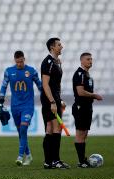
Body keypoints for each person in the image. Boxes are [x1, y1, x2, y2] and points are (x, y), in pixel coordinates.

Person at [0, 50, 42, 166]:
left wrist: (48, 98)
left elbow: (40, 86)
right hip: (15, 106)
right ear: (15, 60)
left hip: (28, 105)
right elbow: (3, 87)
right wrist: (0, 103)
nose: (19, 64)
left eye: (21, 62)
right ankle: (29, 155)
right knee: (21, 132)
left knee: (23, 129)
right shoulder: (9, 71)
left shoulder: (31, 71)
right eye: (17, 62)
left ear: (24, 59)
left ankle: (20, 156)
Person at [40, 38, 69, 169]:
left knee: (51, 129)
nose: (61, 46)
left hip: (55, 99)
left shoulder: (58, 62)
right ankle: (54, 161)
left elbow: (57, 84)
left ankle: (49, 162)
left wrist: (59, 100)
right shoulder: (48, 62)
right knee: (55, 128)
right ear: (52, 47)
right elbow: (45, 84)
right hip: (48, 99)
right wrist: (52, 101)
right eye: (59, 45)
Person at [72, 52, 103, 168]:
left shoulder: (87, 75)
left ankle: (83, 160)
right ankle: (81, 162)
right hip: (80, 107)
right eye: (88, 59)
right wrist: (94, 95)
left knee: (84, 133)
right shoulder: (79, 74)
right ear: (82, 61)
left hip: (87, 107)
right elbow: (80, 92)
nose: (90, 61)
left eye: (91, 59)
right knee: (80, 133)